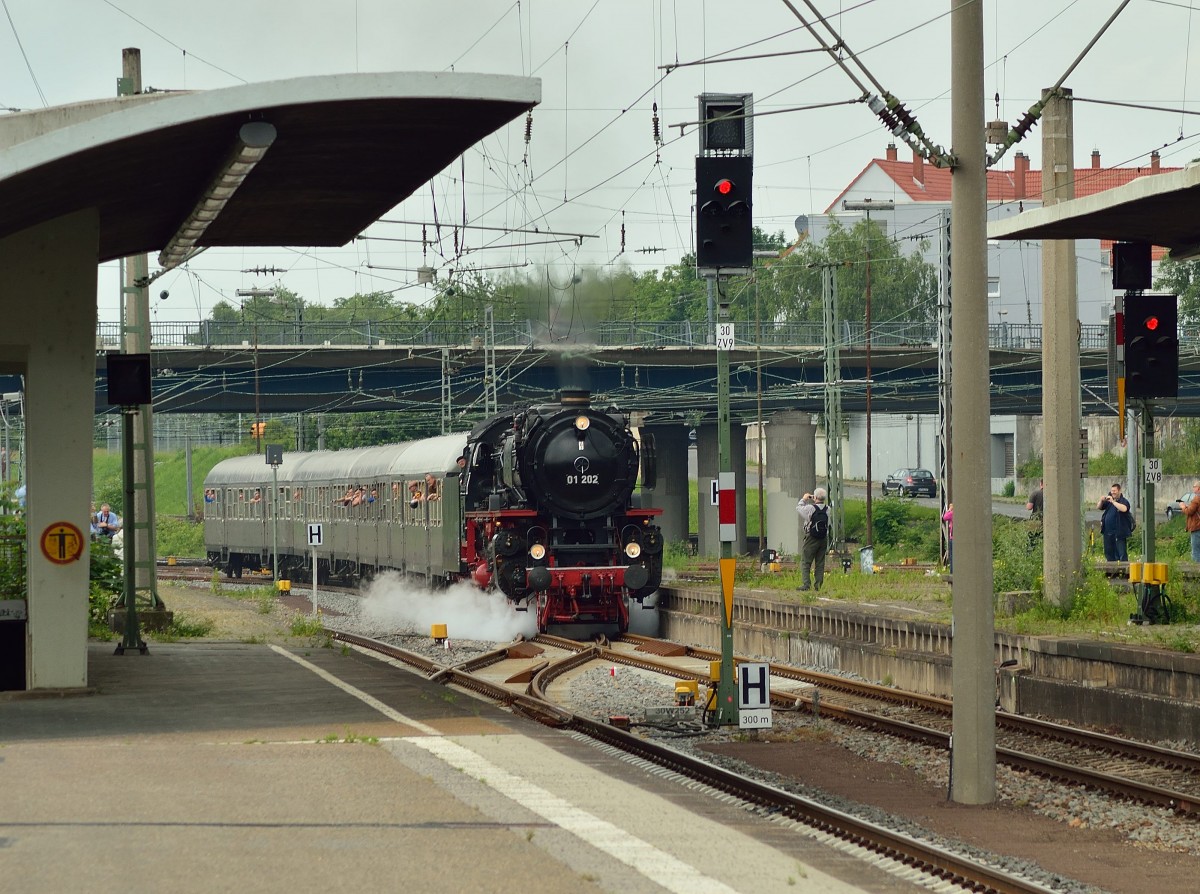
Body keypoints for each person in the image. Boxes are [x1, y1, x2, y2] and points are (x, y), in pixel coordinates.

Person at [795, 487, 830, 592]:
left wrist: (804, 499)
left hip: (811, 537)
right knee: (820, 563)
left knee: (806, 561)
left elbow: (799, 508)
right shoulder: (828, 509)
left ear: (815, 497)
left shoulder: (810, 508)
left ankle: (806, 584)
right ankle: (818, 585)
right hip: (823, 538)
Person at [1097, 483, 1132, 562]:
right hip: (1107, 532)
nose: (1112, 492)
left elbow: (1124, 509)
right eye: (1112, 491)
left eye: (1114, 491)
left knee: (1121, 553)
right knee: (1109, 553)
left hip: (1119, 533)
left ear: (1119, 491)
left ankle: (1123, 568)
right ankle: (1111, 568)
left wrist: (1113, 501)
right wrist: (1101, 501)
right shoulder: (1108, 502)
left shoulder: (1123, 501)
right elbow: (1099, 507)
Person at [1180, 480, 1200, 562]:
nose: (1193, 488)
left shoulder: (1196, 499)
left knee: (1196, 551)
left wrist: (1183, 507)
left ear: (1198, 488)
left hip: (1197, 526)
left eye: (1194, 486)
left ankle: (1197, 568)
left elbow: (1189, 511)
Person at [942, 503, 954, 573]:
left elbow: (944, 517)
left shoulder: (952, 513)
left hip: (952, 537)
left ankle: (952, 571)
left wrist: (949, 510)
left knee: (952, 555)